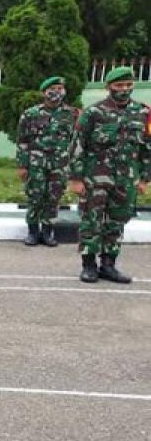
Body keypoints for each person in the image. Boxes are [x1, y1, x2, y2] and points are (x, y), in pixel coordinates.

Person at [69, 66, 151, 283]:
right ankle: (88, 265)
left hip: (126, 178)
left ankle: (109, 265)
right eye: (119, 86)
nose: (124, 90)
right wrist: (76, 178)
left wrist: (144, 177)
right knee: (92, 220)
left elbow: (147, 148)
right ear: (108, 87)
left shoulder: (143, 113)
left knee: (117, 222)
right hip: (95, 177)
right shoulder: (93, 113)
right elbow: (78, 145)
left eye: (128, 85)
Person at [16, 76, 77, 247]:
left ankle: (48, 231)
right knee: (35, 196)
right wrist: (22, 165)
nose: (56, 92)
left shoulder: (71, 114)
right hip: (36, 162)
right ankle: (33, 231)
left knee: (53, 197)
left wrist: (74, 165)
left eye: (60, 89)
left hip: (60, 163)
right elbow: (22, 140)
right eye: (53, 89)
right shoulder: (30, 114)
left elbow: (76, 140)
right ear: (44, 92)